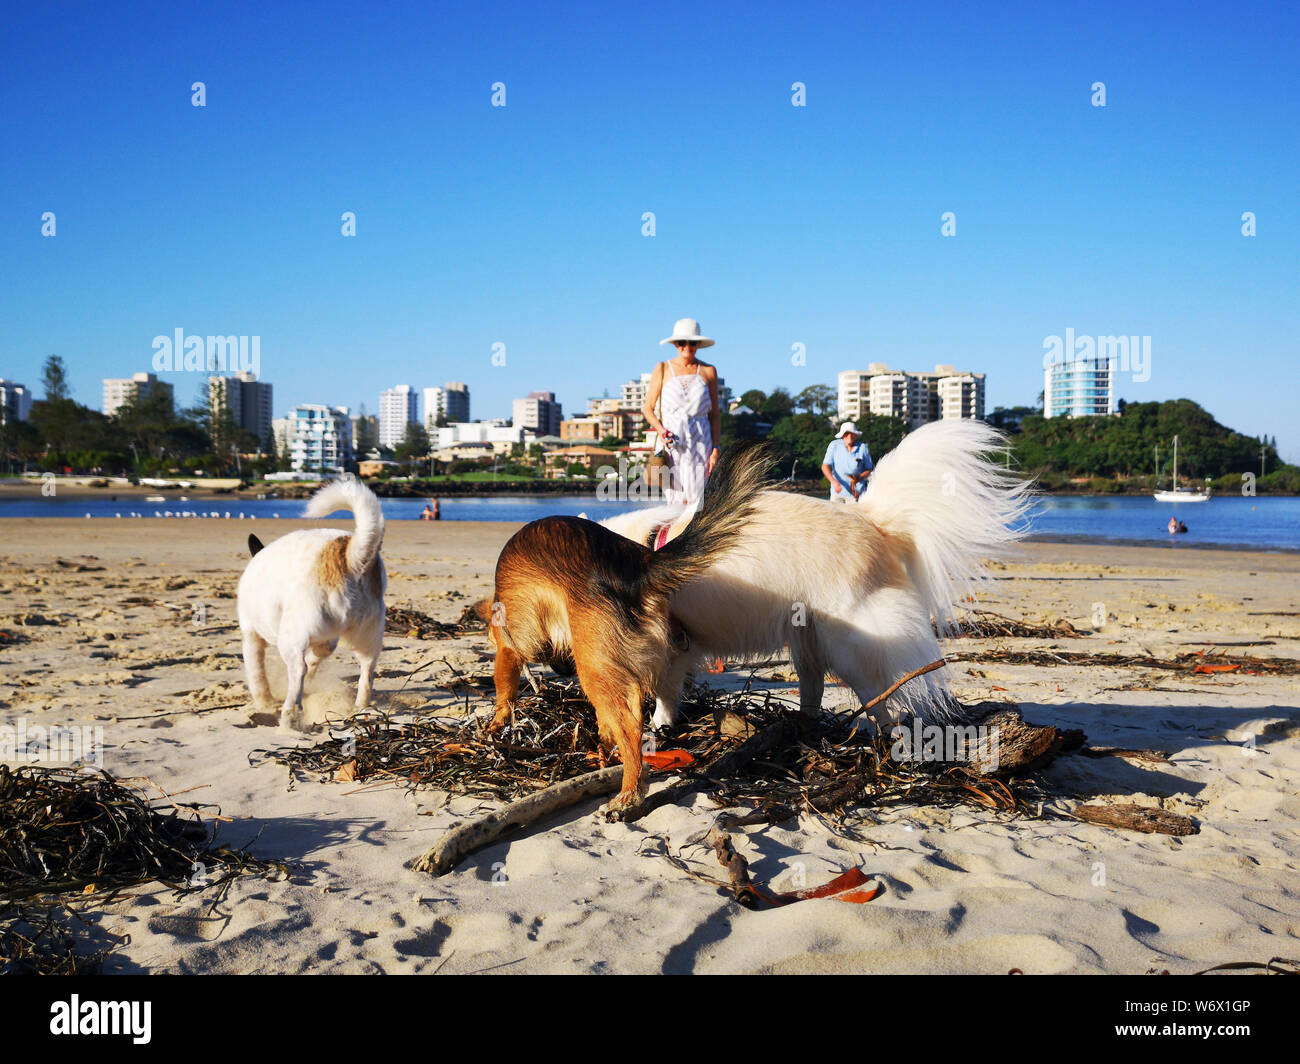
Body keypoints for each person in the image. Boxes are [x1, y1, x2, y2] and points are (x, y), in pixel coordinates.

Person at [642, 318, 722, 506]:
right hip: (672, 442)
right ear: (675, 344)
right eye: (682, 342)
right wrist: (661, 431)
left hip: (702, 442)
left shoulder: (709, 371)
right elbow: (647, 408)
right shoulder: (662, 368)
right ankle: (676, 535)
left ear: (698, 344)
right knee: (675, 500)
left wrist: (716, 448)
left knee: (700, 501)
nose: (687, 346)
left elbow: (715, 415)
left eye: (692, 342)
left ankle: (699, 535)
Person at [822, 422, 873, 503]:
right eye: (846, 434)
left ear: (855, 435)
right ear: (842, 435)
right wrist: (834, 482)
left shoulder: (863, 447)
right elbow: (825, 466)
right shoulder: (834, 445)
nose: (849, 436)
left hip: (856, 493)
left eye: (852, 434)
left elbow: (869, 469)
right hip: (837, 493)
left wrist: (859, 477)